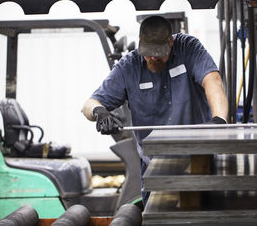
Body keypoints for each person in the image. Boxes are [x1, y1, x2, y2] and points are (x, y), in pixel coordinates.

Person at [82, 15, 228, 205]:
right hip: (155, 167)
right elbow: (89, 104)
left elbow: (212, 80)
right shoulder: (129, 67)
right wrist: (99, 112)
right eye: (148, 52)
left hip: (198, 160)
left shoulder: (188, 48)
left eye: (159, 53)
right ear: (141, 42)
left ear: (171, 42)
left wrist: (219, 120)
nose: (152, 57)